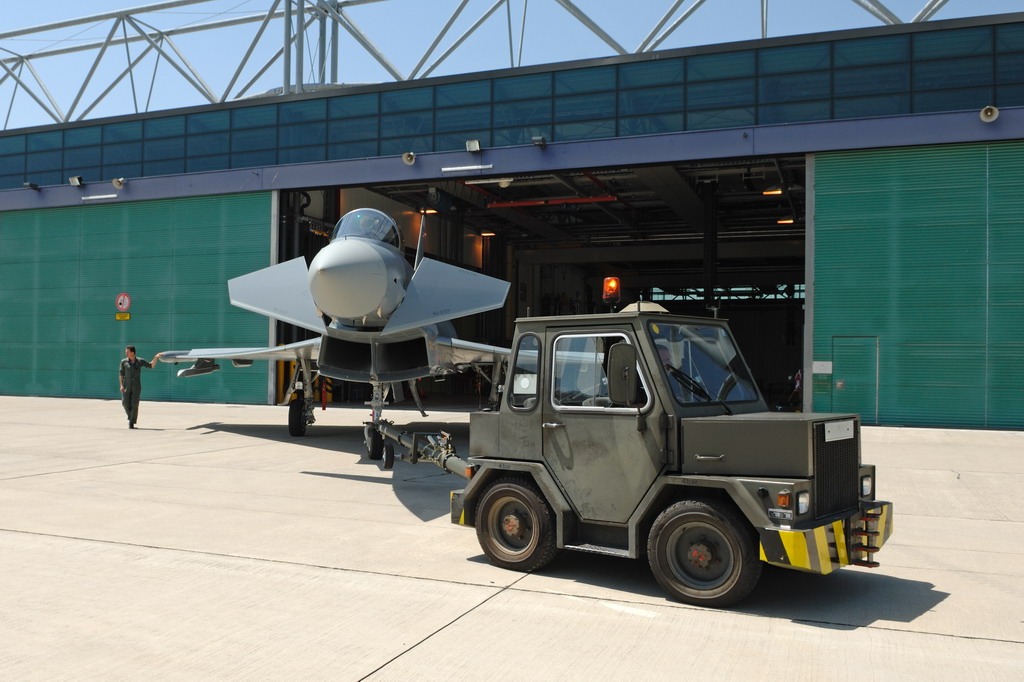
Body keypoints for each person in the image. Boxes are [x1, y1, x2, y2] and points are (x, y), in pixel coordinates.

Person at [119, 346, 161, 429]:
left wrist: (156, 357)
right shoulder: (123, 362)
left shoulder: (140, 361)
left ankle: (131, 422)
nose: (126, 353)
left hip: (136, 386)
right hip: (126, 385)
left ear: (132, 352)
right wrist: (121, 385)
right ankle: (131, 417)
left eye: (127, 352)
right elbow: (121, 374)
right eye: (126, 351)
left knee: (134, 404)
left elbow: (151, 365)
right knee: (125, 403)